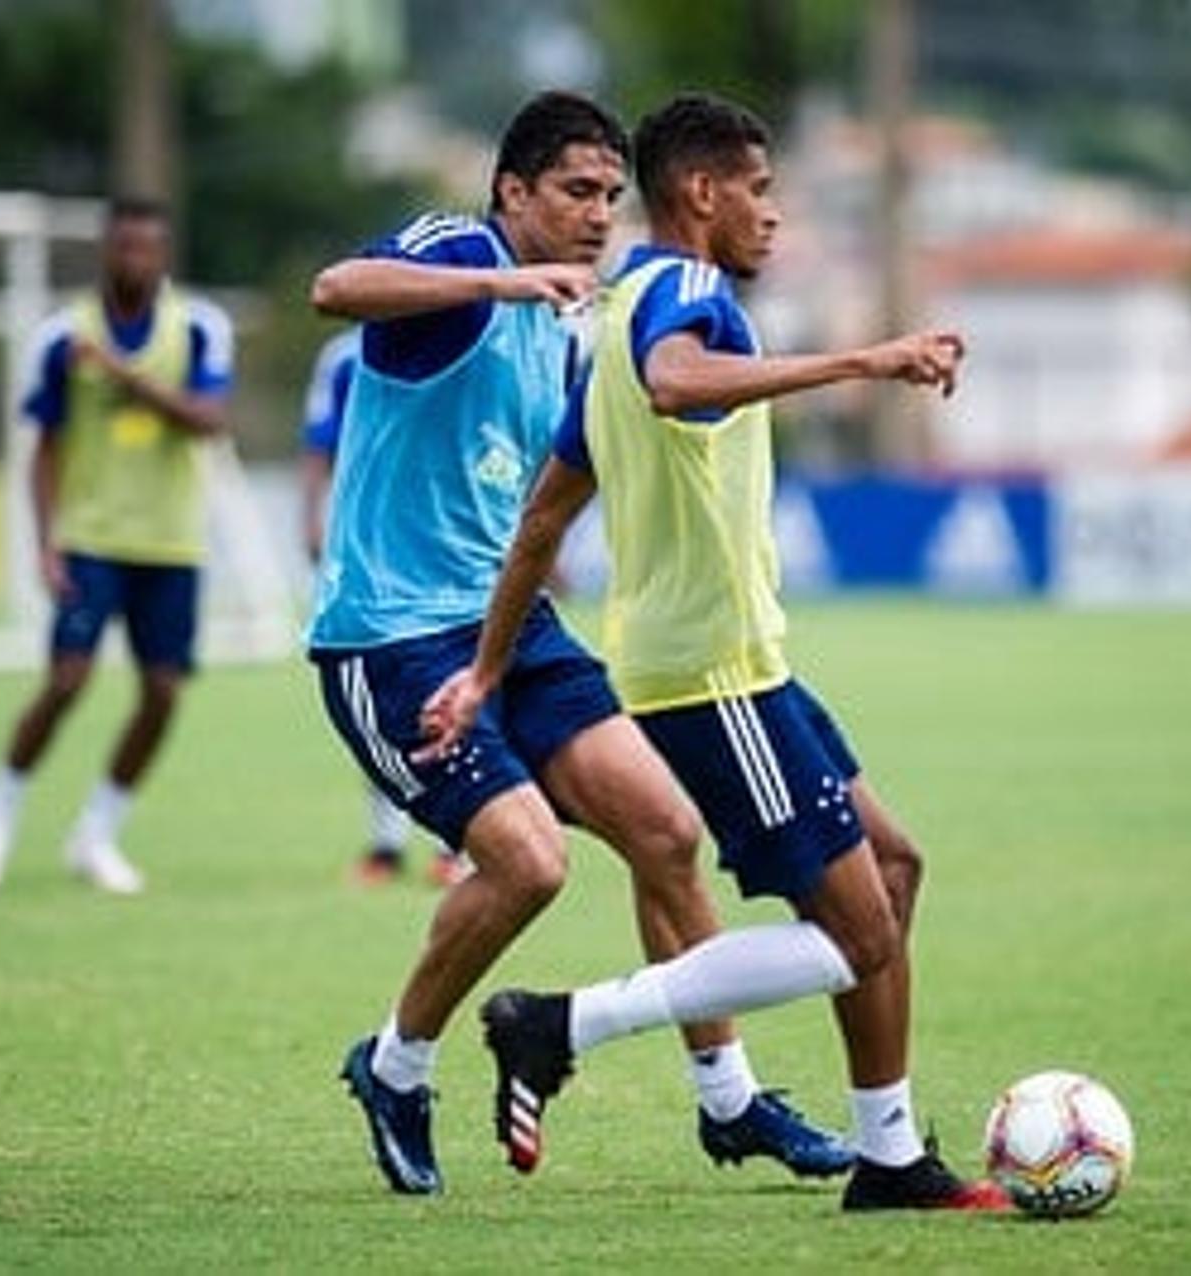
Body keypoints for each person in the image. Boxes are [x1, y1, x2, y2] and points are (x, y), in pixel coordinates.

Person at [417, 93, 1007, 1212]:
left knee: (893, 869)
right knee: (856, 933)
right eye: (762, 191)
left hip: (735, 663)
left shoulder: (614, 309)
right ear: (702, 192)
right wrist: (866, 361)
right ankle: (560, 1023)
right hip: (712, 674)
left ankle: (889, 1155)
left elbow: (544, 517)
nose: (774, 217)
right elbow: (679, 384)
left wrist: (490, 671)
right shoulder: (686, 293)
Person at [308, 90, 849, 1197]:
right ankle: (397, 1064)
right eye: (575, 191)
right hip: (391, 639)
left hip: (510, 629)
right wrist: (505, 277)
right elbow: (334, 289)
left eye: (611, 193)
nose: (600, 213)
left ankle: (730, 1101)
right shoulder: (462, 252)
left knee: (666, 832)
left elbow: (548, 496)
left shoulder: (577, 317)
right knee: (531, 864)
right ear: (512, 192)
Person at [0, 197, 233, 897]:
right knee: (67, 681)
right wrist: (45, 546)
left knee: (163, 694)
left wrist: (121, 373)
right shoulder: (59, 338)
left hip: (171, 544)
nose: (136, 259)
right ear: (106, 253)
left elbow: (206, 420)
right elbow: (42, 450)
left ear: (164, 256)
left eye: (148, 248)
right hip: (92, 539)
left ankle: (97, 834)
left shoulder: (197, 327)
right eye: (124, 247)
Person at [298, 329, 471, 889]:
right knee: (385, 702)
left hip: (449, 550)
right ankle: (386, 844)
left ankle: (456, 844)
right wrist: (311, 518)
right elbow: (320, 445)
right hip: (371, 555)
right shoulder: (346, 354)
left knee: (458, 696)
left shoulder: (471, 338)